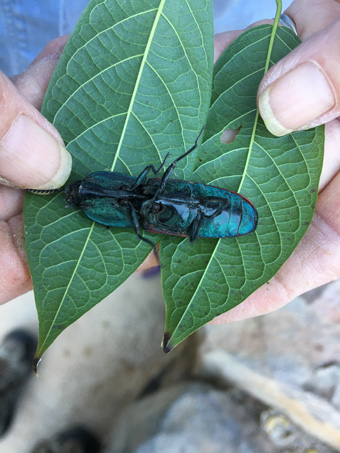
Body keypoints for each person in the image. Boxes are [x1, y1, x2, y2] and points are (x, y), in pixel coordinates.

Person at [0, 0, 339, 327]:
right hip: (170, 203)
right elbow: (138, 197)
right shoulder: (94, 201)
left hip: (172, 199)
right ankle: (154, 262)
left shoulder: (95, 198)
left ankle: (155, 260)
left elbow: (138, 194)